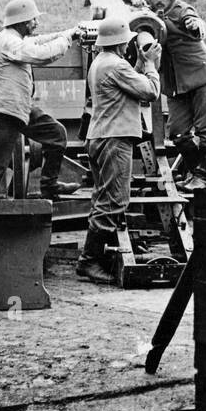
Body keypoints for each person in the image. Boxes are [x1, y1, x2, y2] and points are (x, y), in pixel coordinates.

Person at [75, 16, 162, 283]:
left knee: (103, 198)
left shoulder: (102, 62)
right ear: (122, 42)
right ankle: (89, 262)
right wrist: (151, 65)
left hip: (100, 137)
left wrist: (138, 65)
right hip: (115, 139)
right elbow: (150, 92)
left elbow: (127, 81)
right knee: (115, 201)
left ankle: (94, 258)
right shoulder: (115, 65)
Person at [0, 0, 81, 200]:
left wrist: (68, 34)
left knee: (56, 134)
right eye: (33, 20)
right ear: (21, 21)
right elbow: (40, 54)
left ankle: (49, 185)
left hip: (18, 109)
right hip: (2, 113)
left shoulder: (15, 38)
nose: (36, 23)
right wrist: (65, 41)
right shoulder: (7, 41)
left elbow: (38, 40)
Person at [145, 0, 206, 191]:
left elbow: (199, 26)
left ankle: (201, 175)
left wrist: (195, 25)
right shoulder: (149, 14)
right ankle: (195, 173)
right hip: (176, 84)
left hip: (201, 77)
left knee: (205, 129)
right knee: (177, 134)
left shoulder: (182, 10)